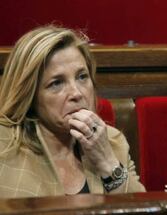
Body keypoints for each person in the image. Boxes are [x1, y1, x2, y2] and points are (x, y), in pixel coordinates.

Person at [0, 26, 145, 198]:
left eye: (82, 76)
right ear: (30, 95)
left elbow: (140, 206)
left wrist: (107, 163)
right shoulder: (4, 141)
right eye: (56, 83)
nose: (76, 93)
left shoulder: (112, 143)